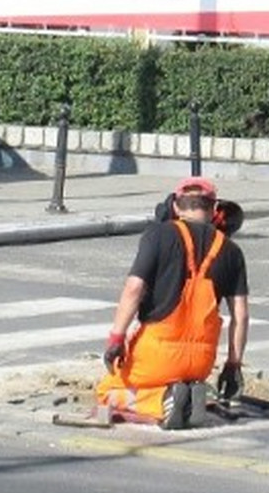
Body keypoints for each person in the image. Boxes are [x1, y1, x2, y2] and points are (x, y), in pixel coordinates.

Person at [95, 176, 250, 430]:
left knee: (107, 392)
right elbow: (241, 315)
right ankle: (186, 394)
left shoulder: (159, 234)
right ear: (213, 209)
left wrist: (116, 338)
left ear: (176, 206)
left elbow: (134, 288)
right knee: (183, 378)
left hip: (156, 353)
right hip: (201, 361)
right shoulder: (231, 250)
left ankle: (161, 399)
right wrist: (233, 365)